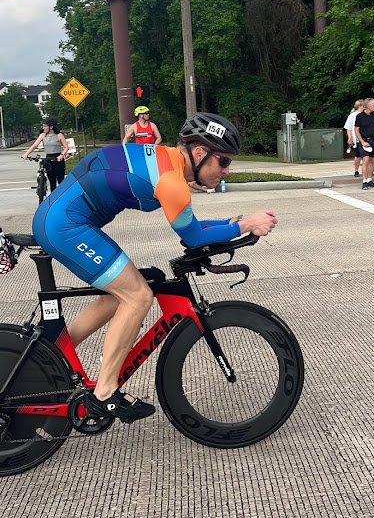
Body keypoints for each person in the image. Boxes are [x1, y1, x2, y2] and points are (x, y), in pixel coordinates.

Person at [32, 112, 277, 423]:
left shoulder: (169, 164)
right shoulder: (171, 181)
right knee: (138, 297)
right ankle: (104, 393)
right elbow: (194, 237)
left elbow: (192, 225)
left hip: (63, 221)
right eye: (224, 161)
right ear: (200, 153)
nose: (227, 170)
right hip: (65, 226)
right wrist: (244, 224)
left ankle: (51, 353)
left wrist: (232, 225)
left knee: (122, 293)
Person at [22, 118, 69, 192]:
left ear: (51, 127)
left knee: (61, 181)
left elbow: (66, 147)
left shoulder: (59, 135)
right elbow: (34, 145)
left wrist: (62, 155)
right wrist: (26, 154)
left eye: (45, 126)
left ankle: (63, 197)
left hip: (58, 158)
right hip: (48, 159)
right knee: (52, 181)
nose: (43, 128)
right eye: (43, 126)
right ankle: (53, 199)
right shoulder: (42, 135)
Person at [354, 98, 374, 190]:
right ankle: (364, 181)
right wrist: (362, 141)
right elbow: (356, 130)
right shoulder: (359, 116)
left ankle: (370, 179)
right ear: (368, 106)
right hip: (364, 140)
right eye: (373, 104)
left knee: (372, 160)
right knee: (366, 159)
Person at [344, 99, 363, 177]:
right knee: (358, 155)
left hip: (365, 137)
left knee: (367, 156)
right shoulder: (352, 115)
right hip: (357, 138)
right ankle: (356, 170)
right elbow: (349, 128)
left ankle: (367, 170)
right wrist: (350, 137)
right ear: (359, 106)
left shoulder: (365, 115)